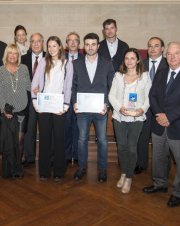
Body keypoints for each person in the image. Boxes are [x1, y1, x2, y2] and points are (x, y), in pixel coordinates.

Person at [143, 41, 180, 208]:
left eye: (176, 53)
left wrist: (169, 117)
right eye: (169, 54)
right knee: (159, 158)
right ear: (165, 55)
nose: (172, 57)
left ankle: (179, 192)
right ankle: (159, 184)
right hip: (159, 124)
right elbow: (152, 95)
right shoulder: (160, 73)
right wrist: (159, 115)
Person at [72, 33, 115, 182]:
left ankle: (102, 170)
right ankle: (82, 168)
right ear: (84, 46)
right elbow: (73, 86)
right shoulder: (76, 63)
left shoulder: (107, 63)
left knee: (102, 140)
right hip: (82, 110)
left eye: (93, 44)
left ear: (98, 46)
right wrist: (74, 102)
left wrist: (107, 104)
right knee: (81, 139)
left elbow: (112, 86)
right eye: (88, 44)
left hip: (100, 109)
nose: (90, 47)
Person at [109, 48, 151, 193]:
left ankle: (129, 178)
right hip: (119, 117)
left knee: (132, 148)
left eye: (133, 58)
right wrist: (119, 108)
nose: (129, 61)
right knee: (121, 147)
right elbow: (111, 96)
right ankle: (123, 173)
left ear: (138, 60)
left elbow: (148, 98)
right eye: (127, 58)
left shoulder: (145, 76)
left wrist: (141, 110)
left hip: (136, 117)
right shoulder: (118, 76)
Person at [31, 36, 73, 181]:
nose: (51, 49)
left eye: (54, 46)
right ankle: (44, 171)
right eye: (49, 46)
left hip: (59, 106)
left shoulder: (67, 64)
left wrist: (66, 105)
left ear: (60, 47)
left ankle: (59, 172)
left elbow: (68, 86)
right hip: (43, 106)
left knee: (59, 139)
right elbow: (34, 84)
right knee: (44, 138)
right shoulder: (43, 62)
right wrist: (36, 103)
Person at [0, 44, 31, 178]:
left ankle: (18, 167)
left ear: (18, 55)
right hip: (7, 111)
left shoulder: (24, 69)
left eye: (15, 53)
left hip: (22, 109)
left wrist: (38, 89)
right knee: (8, 142)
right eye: (10, 53)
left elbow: (29, 86)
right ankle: (8, 169)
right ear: (6, 55)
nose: (12, 55)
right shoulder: (0, 71)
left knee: (19, 140)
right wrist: (4, 109)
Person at [135, 37, 168, 174]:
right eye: (150, 46)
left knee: (162, 142)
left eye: (156, 46)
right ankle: (141, 164)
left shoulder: (169, 64)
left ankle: (162, 169)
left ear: (162, 48)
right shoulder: (141, 64)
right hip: (144, 108)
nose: (152, 49)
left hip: (162, 110)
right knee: (142, 138)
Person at [21, 33, 45, 167]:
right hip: (28, 100)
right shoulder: (23, 59)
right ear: (30, 44)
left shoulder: (49, 57)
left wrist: (42, 88)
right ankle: (29, 157)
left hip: (45, 100)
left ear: (43, 42)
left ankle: (44, 157)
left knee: (45, 129)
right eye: (33, 41)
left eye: (39, 41)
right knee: (29, 129)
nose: (36, 44)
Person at [64, 32, 83, 165]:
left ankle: (76, 155)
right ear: (66, 43)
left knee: (77, 128)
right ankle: (65, 155)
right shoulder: (60, 58)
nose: (72, 43)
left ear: (79, 43)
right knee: (65, 127)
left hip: (78, 98)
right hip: (63, 98)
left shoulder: (84, 59)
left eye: (75, 40)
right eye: (70, 40)